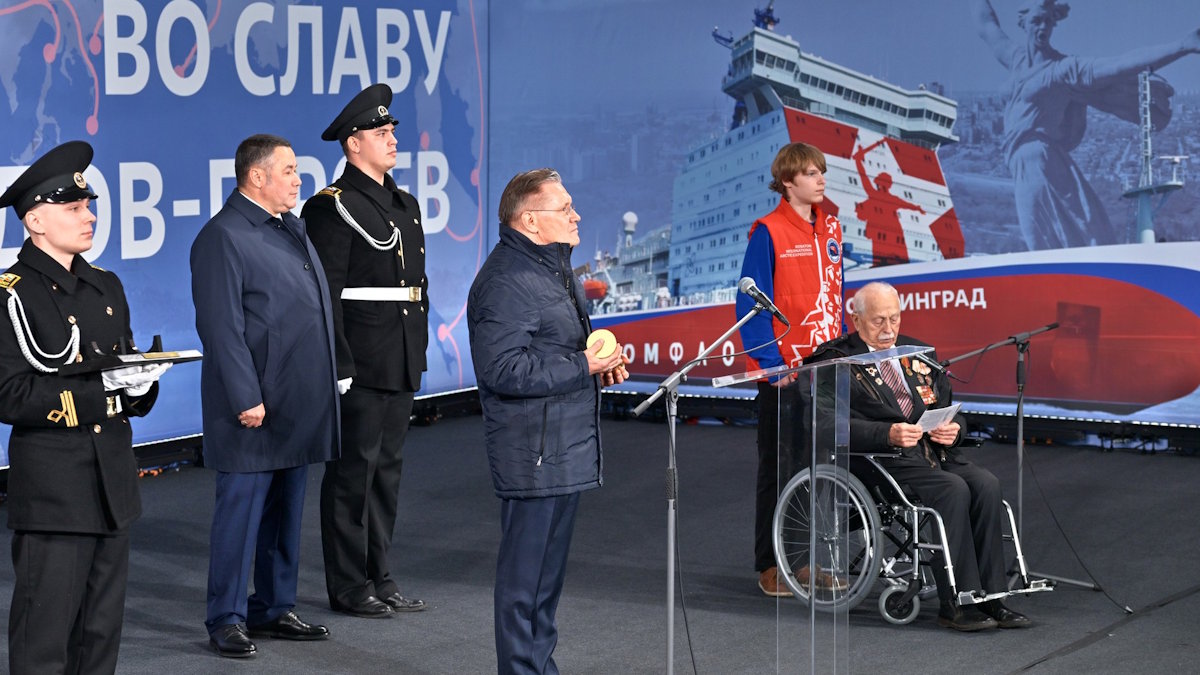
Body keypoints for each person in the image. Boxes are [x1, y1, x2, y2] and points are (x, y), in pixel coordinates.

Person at [0, 141, 168, 673]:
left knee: (99, 640)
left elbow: (120, 373)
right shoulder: (12, 294)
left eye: (87, 205)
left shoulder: (106, 286)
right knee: (44, 642)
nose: (89, 215)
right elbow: (10, 394)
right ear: (35, 221)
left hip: (111, 483)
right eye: (72, 208)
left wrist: (141, 386)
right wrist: (105, 394)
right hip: (54, 489)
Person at [467, 169, 628, 675]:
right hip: (533, 452)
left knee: (543, 585)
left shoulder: (552, 270)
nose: (577, 216)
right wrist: (583, 367)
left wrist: (595, 370)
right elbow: (502, 370)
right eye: (566, 209)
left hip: (560, 445)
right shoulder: (506, 282)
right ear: (531, 220)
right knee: (524, 586)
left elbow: (554, 352)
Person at [807, 281, 1031, 632]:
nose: (889, 329)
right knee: (953, 489)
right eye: (879, 320)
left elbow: (950, 408)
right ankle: (956, 601)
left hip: (934, 454)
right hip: (882, 460)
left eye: (894, 319)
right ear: (856, 318)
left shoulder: (916, 354)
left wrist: (954, 427)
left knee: (986, 484)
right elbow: (821, 424)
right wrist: (886, 433)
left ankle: (993, 597)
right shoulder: (835, 361)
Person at [190, 134, 340, 658]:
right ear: (258, 177)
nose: (300, 179)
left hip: (296, 401)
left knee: (284, 511)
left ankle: (274, 606)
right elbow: (221, 327)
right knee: (241, 513)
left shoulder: (289, 228)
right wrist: (244, 396)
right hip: (253, 406)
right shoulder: (223, 236)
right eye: (291, 170)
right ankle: (225, 616)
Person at [304, 83, 430, 619]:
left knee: (388, 472)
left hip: (399, 353)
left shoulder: (405, 203)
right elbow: (324, 295)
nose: (392, 139)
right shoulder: (332, 208)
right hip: (359, 357)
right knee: (353, 473)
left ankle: (380, 573)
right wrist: (338, 363)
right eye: (381, 133)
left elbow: (415, 284)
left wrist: (417, 347)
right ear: (353, 144)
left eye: (392, 130)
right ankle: (349, 584)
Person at [973, 0, 1200, 250]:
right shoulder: (1014, 59)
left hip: (1040, 162)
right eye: (1037, 21)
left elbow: (1120, 64)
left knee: (1041, 240)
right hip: (1023, 163)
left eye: (1048, 22)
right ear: (1023, 22)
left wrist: (1183, 45)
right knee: (1047, 238)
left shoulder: (1063, 69)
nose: (1042, 28)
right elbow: (986, 25)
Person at [735, 142, 844, 597]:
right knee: (779, 470)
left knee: (816, 470)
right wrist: (771, 362)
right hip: (785, 374)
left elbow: (836, 298)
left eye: (822, 170)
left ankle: (800, 562)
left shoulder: (833, 227)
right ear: (787, 181)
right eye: (811, 172)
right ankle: (770, 565)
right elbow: (750, 302)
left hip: (829, 371)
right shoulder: (769, 231)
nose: (821, 178)